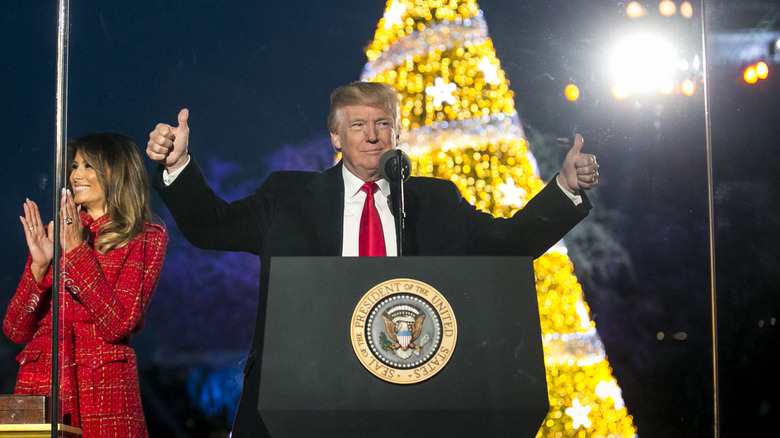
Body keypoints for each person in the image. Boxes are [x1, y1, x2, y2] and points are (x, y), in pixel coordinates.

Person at [146, 81, 599, 435]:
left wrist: (564, 190)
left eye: (383, 124)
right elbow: (212, 226)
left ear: (397, 133)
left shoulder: (434, 201)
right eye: (358, 125)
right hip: (299, 392)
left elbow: (506, 247)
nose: (372, 135)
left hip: (408, 396)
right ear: (336, 137)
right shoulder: (288, 196)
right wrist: (178, 166)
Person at [3, 133, 168, 438]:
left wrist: (77, 251)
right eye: (75, 165)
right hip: (40, 390)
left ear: (116, 172)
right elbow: (15, 330)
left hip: (103, 398)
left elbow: (118, 325)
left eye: (88, 166)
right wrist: (39, 265)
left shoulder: (144, 237)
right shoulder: (59, 233)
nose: (75, 174)